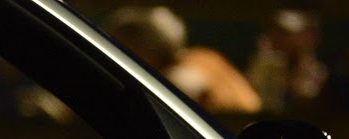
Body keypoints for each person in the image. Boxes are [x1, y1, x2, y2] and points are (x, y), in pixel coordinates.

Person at [107, 6, 261, 114]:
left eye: (122, 46)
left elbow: (189, 85)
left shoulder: (178, 77)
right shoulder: (205, 55)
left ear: (145, 47)